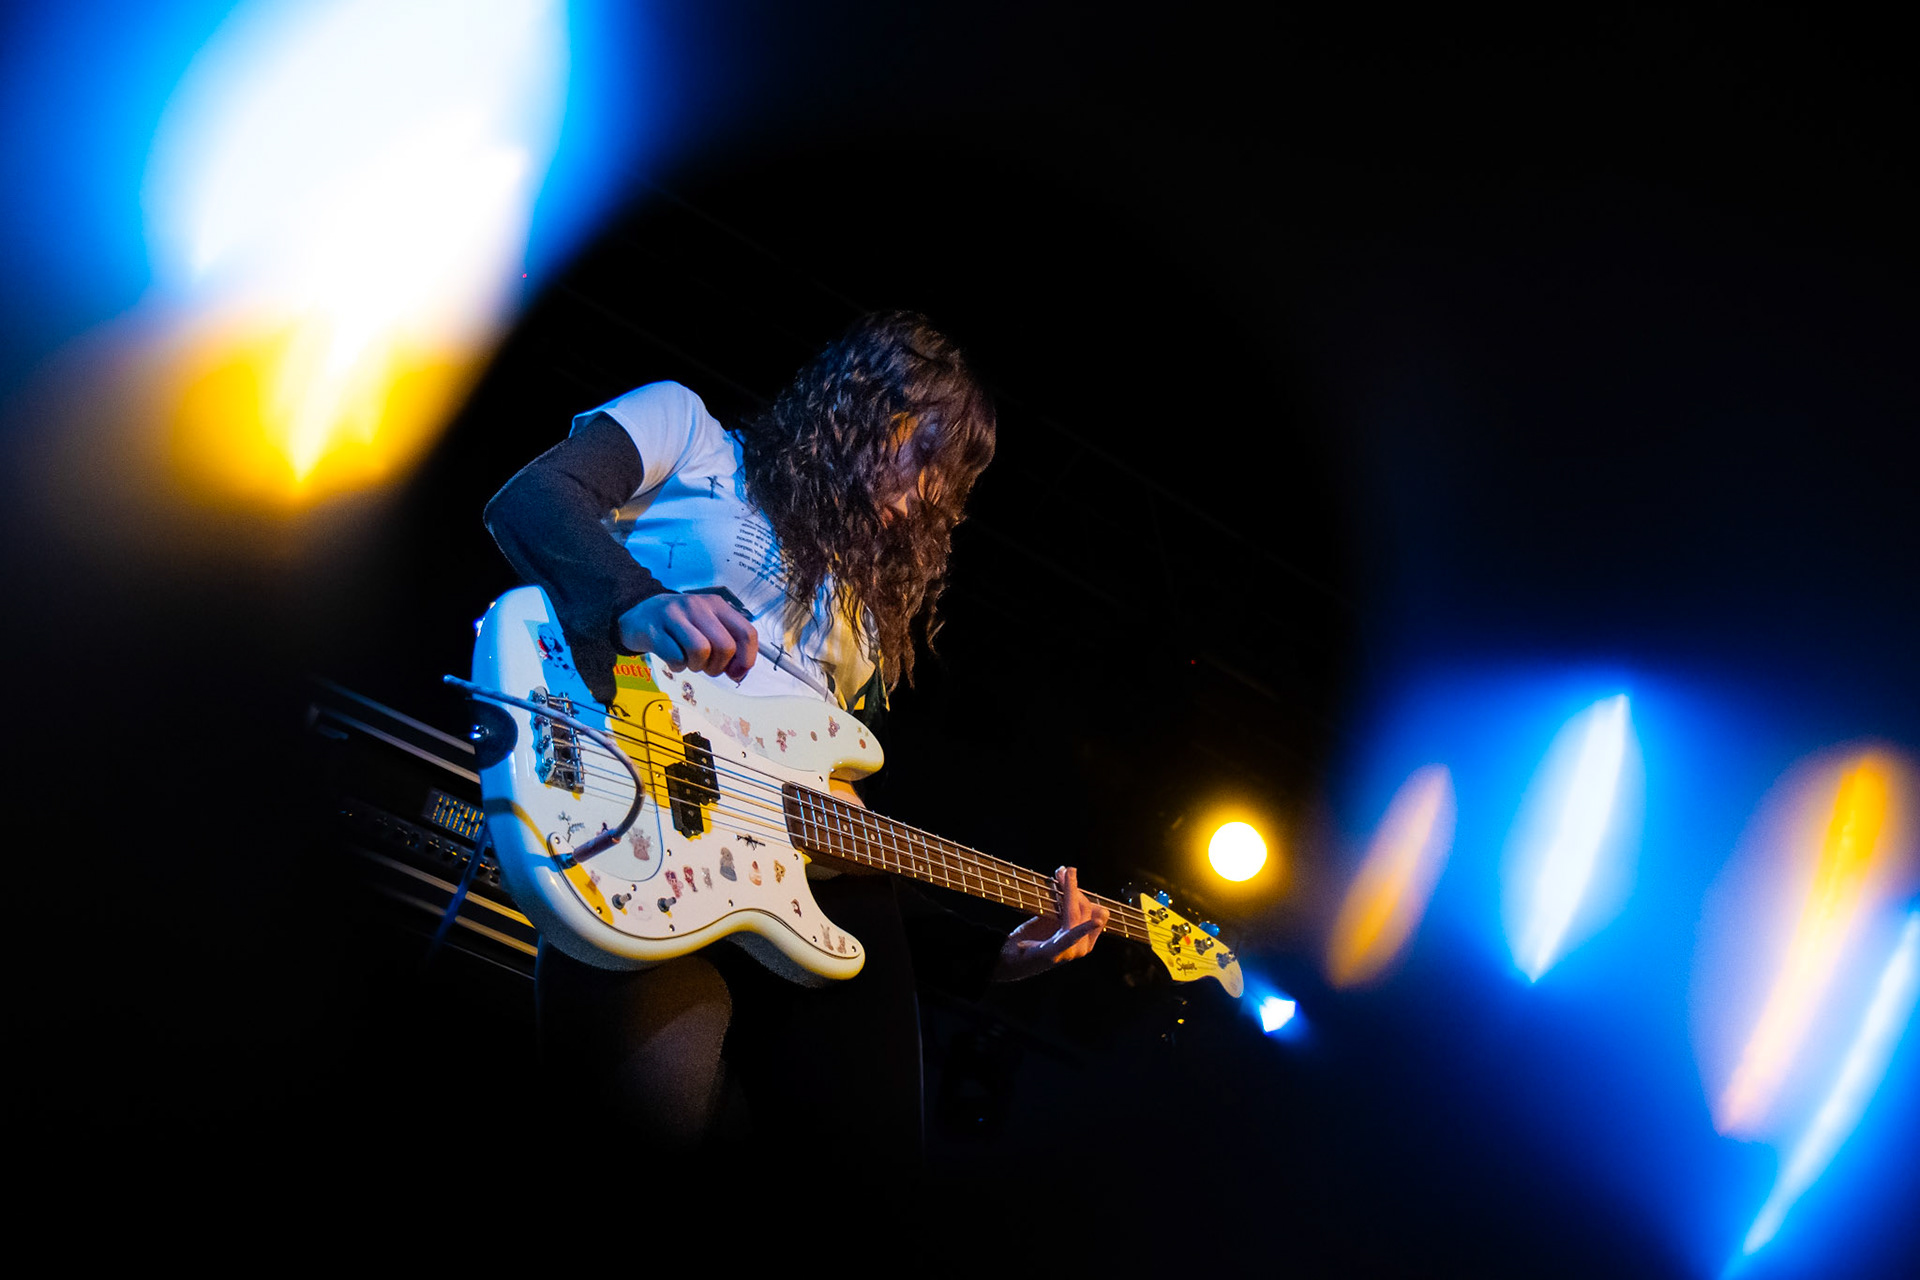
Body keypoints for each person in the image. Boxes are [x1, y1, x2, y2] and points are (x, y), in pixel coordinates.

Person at [483, 311, 1109, 1160]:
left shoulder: (870, 623)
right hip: (645, 816)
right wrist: (639, 600)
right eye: (925, 456)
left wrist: (993, 953)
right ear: (866, 404)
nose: (924, 498)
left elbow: (836, 820)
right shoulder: (691, 433)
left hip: (798, 894)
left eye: (947, 485)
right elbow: (532, 500)